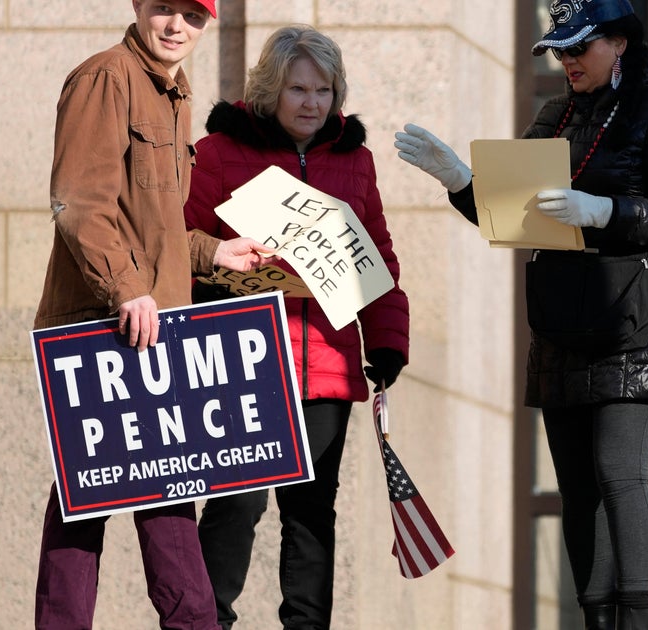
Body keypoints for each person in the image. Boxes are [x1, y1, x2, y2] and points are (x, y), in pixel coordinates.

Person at [395, 1, 648, 628]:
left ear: (618, 43)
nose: (565, 62)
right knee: (577, 486)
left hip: (637, 313)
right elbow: (515, 215)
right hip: (567, 311)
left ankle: (638, 618)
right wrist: (462, 182)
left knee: (619, 470)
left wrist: (606, 212)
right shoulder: (556, 114)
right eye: (559, 51)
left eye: (578, 49)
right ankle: (594, 617)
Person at [32, 1, 278, 629]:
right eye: (164, 8)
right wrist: (126, 288)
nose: (176, 26)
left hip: (153, 325)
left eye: (192, 17)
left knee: (161, 488)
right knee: (95, 496)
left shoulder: (172, 93)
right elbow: (80, 201)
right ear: (139, 7)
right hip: (99, 321)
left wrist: (213, 250)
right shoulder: (107, 77)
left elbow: (157, 229)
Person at [184, 25, 410, 630]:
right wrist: (221, 252)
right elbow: (179, 243)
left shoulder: (354, 160)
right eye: (297, 89)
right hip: (243, 363)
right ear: (269, 89)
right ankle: (208, 623)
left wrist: (387, 339)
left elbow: (379, 258)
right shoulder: (218, 154)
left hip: (326, 367)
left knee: (312, 513)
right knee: (237, 503)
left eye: (324, 89)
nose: (312, 103)